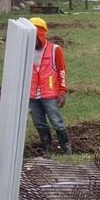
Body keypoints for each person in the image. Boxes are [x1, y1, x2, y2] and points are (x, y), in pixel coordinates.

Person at [27, 17, 71, 155]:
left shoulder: (54, 50)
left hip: (49, 94)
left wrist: (62, 91)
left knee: (56, 122)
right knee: (39, 123)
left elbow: (61, 71)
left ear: (41, 34)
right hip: (32, 94)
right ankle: (47, 149)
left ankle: (67, 149)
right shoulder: (26, 51)